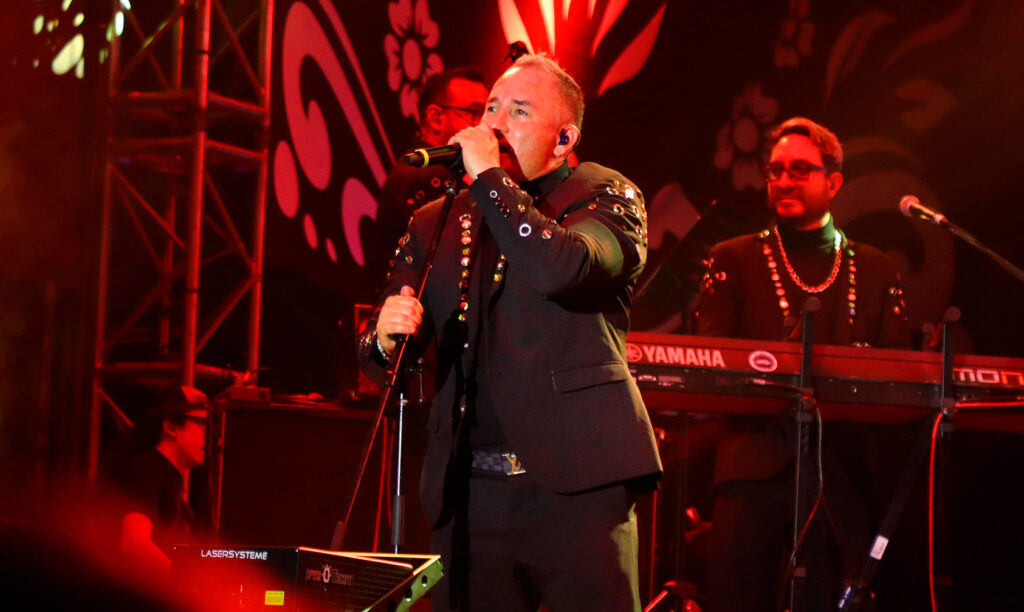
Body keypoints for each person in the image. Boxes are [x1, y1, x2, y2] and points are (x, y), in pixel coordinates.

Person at [358, 54, 662, 611]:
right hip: (469, 491)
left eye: (519, 111)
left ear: (564, 138)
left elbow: (562, 269)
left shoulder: (604, 195)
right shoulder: (435, 220)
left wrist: (490, 180)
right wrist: (383, 338)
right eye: (490, 108)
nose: (495, 124)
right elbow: (384, 358)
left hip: (577, 484)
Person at [694, 117, 910, 610]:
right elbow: (714, 364)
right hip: (753, 466)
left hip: (843, 472)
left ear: (833, 182)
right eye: (775, 171)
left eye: (799, 170)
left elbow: (897, 374)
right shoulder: (732, 257)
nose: (784, 180)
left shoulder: (876, 268)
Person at [108, 385, 210, 574]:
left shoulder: (166, 477)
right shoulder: (148, 470)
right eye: (200, 424)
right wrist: (179, 581)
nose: (207, 435)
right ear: (170, 427)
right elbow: (134, 543)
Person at [378, 67, 489, 227]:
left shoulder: (418, 166)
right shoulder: (433, 176)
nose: (486, 125)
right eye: (474, 112)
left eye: (489, 113)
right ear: (436, 118)